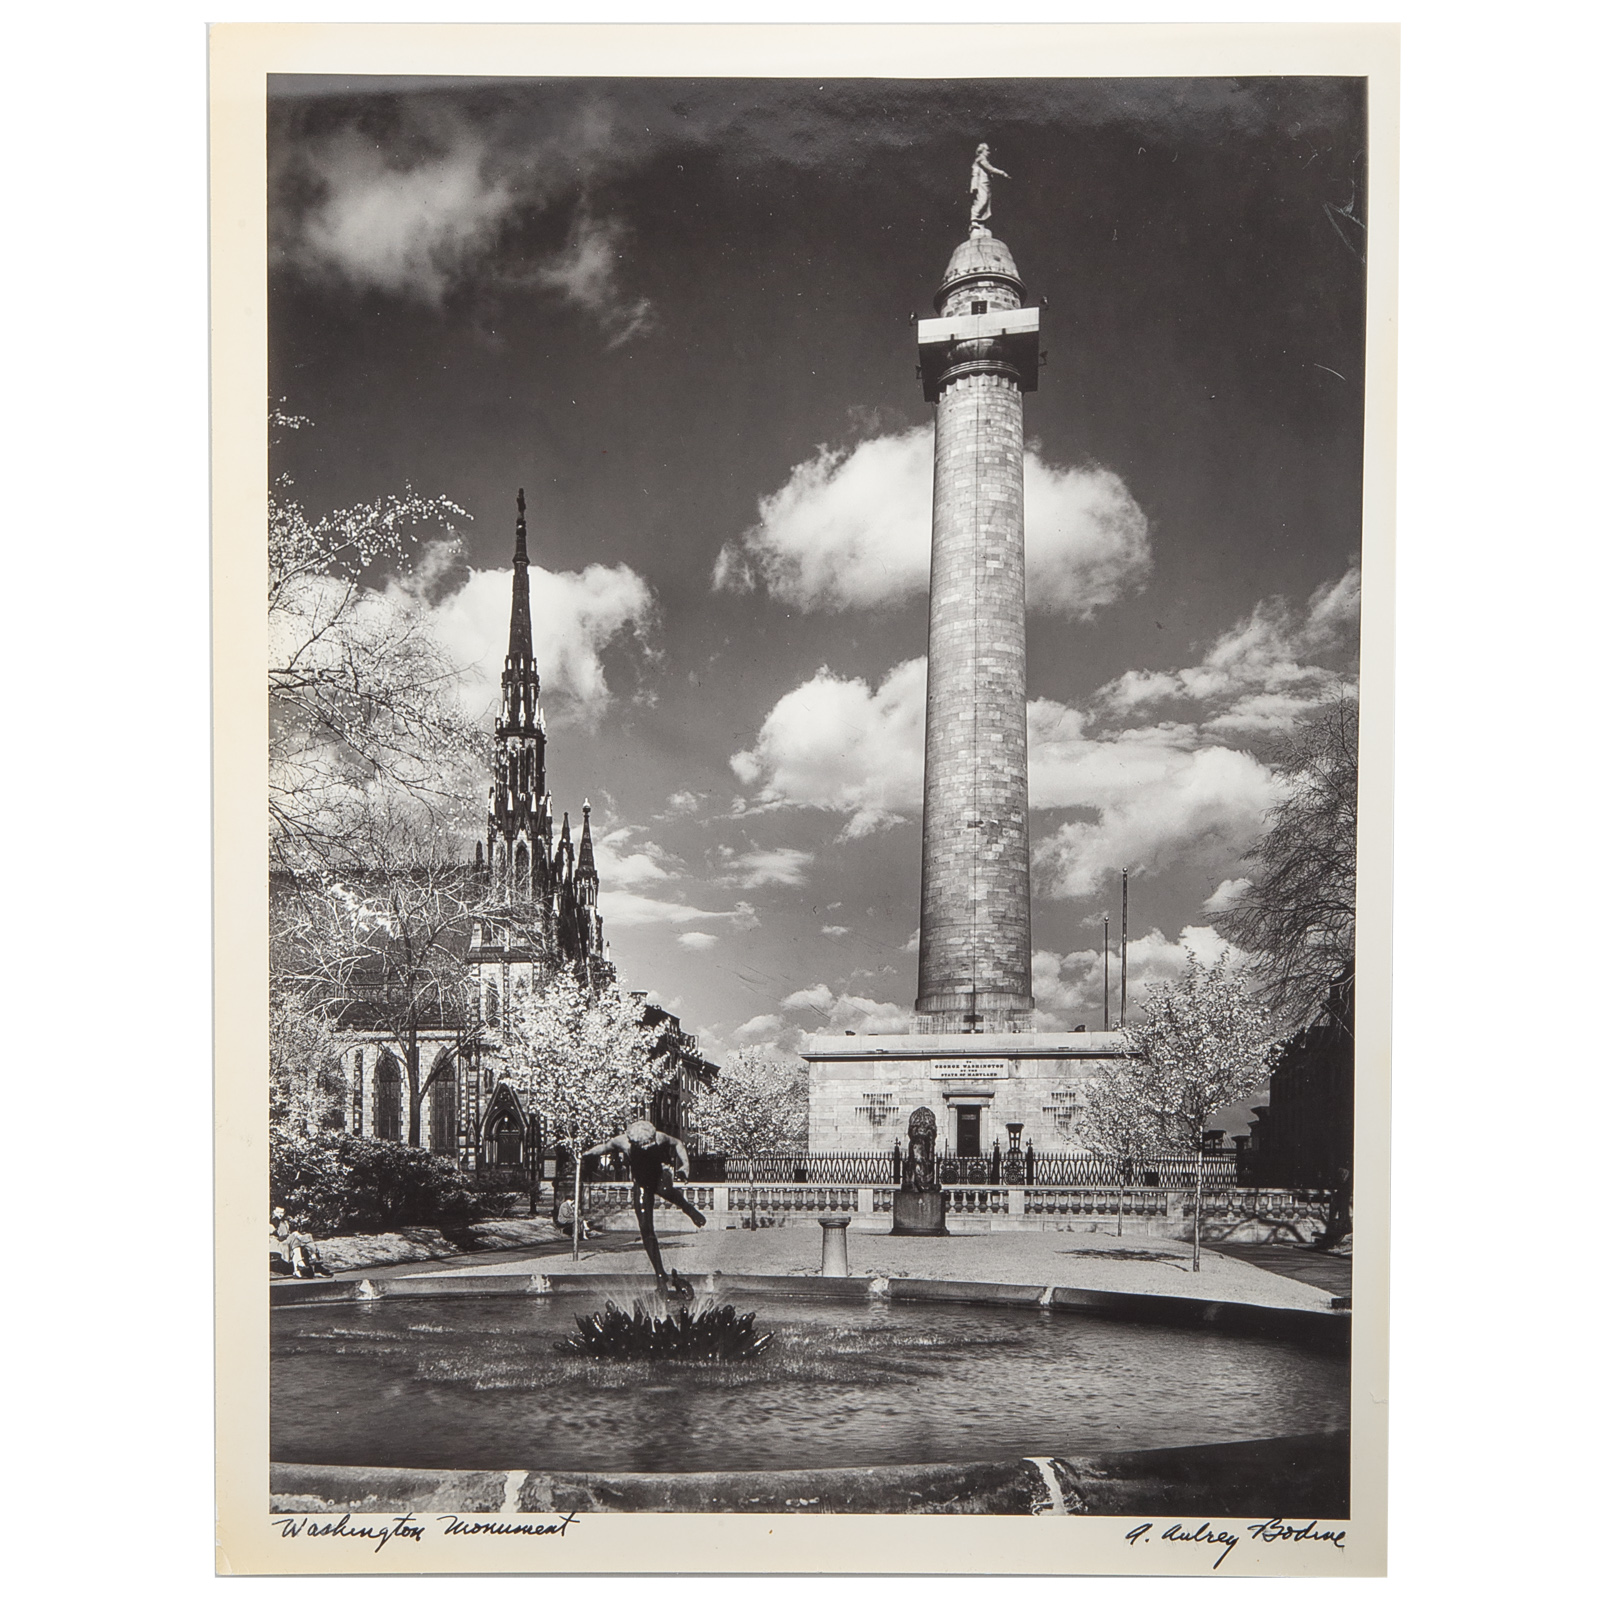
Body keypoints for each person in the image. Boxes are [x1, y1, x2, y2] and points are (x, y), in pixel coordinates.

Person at [582, 1120, 706, 1285]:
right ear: (632, 1142)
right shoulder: (622, 1141)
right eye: (644, 1146)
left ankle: (689, 1209)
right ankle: (660, 1273)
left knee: (668, 1191)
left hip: (659, 1178)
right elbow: (604, 1147)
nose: (647, 1148)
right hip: (641, 1184)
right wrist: (587, 1154)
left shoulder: (660, 1137)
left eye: (650, 1144)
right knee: (646, 1228)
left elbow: (678, 1143)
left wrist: (686, 1167)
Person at [271, 1206, 330, 1278]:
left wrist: (295, 1233)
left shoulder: (285, 1221)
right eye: (278, 1212)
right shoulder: (272, 1221)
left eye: (282, 1212)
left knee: (308, 1236)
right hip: (279, 1243)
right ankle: (299, 1266)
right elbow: (274, 1236)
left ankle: (314, 1258)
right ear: (274, 1212)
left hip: (289, 1240)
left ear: (284, 1213)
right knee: (294, 1238)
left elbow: (289, 1231)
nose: (280, 1214)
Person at [969, 142, 1010, 229]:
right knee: (982, 200)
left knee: (985, 201)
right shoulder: (981, 159)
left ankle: (978, 220)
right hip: (982, 183)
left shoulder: (984, 159)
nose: (989, 152)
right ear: (982, 151)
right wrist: (1002, 173)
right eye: (987, 150)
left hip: (986, 184)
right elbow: (990, 169)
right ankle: (974, 218)